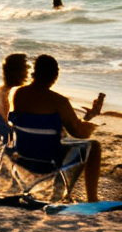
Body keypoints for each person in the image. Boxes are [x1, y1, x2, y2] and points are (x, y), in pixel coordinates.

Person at [8, 53, 105, 201]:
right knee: (94, 147)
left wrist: (86, 117)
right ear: (55, 76)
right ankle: (92, 198)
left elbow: (38, 125)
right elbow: (79, 133)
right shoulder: (59, 101)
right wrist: (91, 126)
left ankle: (61, 191)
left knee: (57, 137)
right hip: (50, 161)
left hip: (22, 156)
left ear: (34, 72)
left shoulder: (18, 94)